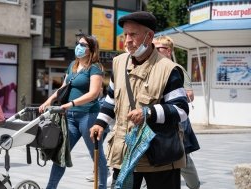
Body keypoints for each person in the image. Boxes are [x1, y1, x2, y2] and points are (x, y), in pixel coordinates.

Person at [89, 11, 189, 189]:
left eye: (133, 34)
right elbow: (111, 100)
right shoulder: (118, 63)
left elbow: (181, 111)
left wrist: (148, 112)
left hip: (159, 157)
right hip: (124, 153)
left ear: (149, 36)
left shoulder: (168, 69)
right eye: (125, 34)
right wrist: (100, 123)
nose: (127, 40)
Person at [39, 34, 108, 189]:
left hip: (88, 116)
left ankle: (102, 186)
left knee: (97, 156)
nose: (79, 46)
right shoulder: (73, 65)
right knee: (61, 155)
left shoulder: (95, 68)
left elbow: (94, 93)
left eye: (83, 44)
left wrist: (71, 104)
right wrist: (49, 100)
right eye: (78, 43)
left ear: (91, 49)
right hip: (70, 118)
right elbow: (64, 88)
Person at [153, 35, 201, 189]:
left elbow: (190, 95)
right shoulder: (153, 68)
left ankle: (194, 186)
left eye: (159, 48)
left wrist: (174, 95)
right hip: (157, 120)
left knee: (181, 155)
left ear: (168, 50)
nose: (155, 51)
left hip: (176, 121)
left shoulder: (176, 69)